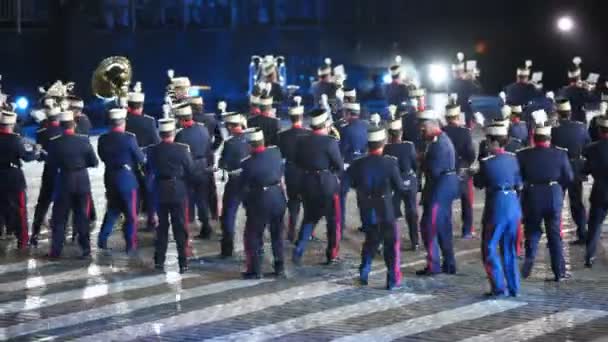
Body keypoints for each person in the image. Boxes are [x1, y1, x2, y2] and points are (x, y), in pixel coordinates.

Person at [348, 126, 407, 290]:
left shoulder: (358, 164)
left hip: (367, 208)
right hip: (385, 208)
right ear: (383, 142)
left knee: (370, 242)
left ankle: (364, 272)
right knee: (390, 245)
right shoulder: (390, 163)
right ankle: (392, 280)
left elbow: (350, 182)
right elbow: (400, 187)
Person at [517, 113, 573, 282]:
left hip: (532, 196)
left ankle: (528, 265)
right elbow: (569, 177)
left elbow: (519, 177)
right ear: (549, 138)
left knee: (532, 233)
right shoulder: (561, 154)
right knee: (555, 236)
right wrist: (557, 187)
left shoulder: (523, 155)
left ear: (534, 137)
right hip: (553, 196)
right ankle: (559, 272)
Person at [474, 124, 522, 297]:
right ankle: (514, 287)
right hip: (513, 204)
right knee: (509, 248)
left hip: (497, 206)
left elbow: (478, 183)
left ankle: (498, 286)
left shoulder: (487, 162)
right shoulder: (513, 158)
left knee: (489, 247)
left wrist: (475, 170)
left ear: (492, 141)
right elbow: (518, 182)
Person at [293, 109, 344, 266]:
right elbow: (339, 165)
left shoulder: (301, 140)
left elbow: (297, 162)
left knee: (309, 219)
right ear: (325, 124)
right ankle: (331, 255)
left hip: (307, 182)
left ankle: (298, 251)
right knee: (333, 222)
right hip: (326, 184)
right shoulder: (330, 142)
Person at [47, 111, 99, 258]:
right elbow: (94, 162)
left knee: (59, 218)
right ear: (74, 124)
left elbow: (51, 164)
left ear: (61, 126)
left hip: (64, 180)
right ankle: (86, 249)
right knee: (82, 216)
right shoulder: (83, 140)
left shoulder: (55, 142)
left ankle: (56, 250)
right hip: (82, 180)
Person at [146, 118, 193, 274]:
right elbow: (190, 169)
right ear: (173, 133)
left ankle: (159, 261)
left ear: (160, 134)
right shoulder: (182, 149)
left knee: (162, 228)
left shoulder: (152, 150)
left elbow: (148, 169)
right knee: (180, 228)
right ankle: (183, 262)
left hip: (159, 190)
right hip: (178, 189)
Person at [416, 113, 459, 276]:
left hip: (439, 188)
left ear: (433, 127)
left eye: (424, 128)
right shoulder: (439, 140)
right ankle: (449, 262)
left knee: (429, 226)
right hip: (444, 187)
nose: (422, 132)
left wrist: (421, 161)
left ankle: (433, 265)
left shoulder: (438, 143)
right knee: (443, 227)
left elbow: (433, 169)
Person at [97, 108, 145, 254]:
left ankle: (102, 239)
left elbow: (102, 157)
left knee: (112, 210)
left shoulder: (103, 138)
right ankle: (130, 244)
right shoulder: (129, 138)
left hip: (110, 178)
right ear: (123, 123)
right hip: (127, 179)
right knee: (131, 214)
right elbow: (140, 159)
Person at [240, 128, 287, 278]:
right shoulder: (275, 153)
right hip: (277, 197)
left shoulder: (247, 163)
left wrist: (246, 203)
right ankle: (280, 267)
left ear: (249, 145)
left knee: (254, 235)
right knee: (277, 234)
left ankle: (255, 269)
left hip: (259, 200)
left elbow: (244, 185)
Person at [551, 99, 591, 245]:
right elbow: (587, 146)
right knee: (577, 203)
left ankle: (556, 236)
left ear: (557, 113)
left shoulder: (553, 129)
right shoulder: (581, 127)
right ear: (570, 113)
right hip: (576, 169)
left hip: (559, 170)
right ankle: (582, 233)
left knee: (557, 204)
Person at [0, 110, 39, 249]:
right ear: (11, 124)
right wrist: (36, 152)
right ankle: (22, 240)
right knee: (20, 209)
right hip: (13, 177)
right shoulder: (14, 139)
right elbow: (26, 157)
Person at [173, 104, 213, 239]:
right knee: (202, 200)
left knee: (185, 200)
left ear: (182, 119)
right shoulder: (203, 129)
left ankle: (184, 229)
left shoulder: (181, 134)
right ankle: (206, 227)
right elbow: (209, 148)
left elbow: (178, 155)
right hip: (203, 166)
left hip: (188, 168)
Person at [125, 87, 160, 231]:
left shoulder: (124, 120)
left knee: (133, 192)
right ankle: (151, 220)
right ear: (142, 105)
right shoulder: (149, 121)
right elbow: (155, 141)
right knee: (150, 191)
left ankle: (131, 220)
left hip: (128, 160)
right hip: (146, 159)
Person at [277, 98, 310, 241]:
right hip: (307, 172)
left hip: (291, 171)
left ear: (290, 118)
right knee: (308, 203)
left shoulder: (282, 136)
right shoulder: (309, 135)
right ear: (301, 117)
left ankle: (291, 230)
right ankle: (307, 232)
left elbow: (280, 157)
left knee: (293, 203)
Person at [383, 118, 419, 250]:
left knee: (393, 213)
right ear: (401, 132)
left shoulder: (386, 149)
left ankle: (393, 241)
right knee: (412, 212)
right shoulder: (409, 146)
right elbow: (415, 165)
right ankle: (415, 241)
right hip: (409, 181)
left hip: (394, 184)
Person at [218, 112, 250, 257]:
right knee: (253, 215)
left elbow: (223, 163)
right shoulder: (250, 139)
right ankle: (254, 247)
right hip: (250, 181)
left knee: (229, 215)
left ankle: (227, 248)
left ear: (230, 126)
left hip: (235, 181)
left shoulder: (230, 142)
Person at [30, 106, 63, 247]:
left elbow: (39, 158)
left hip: (49, 171)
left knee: (43, 202)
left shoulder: (41, 132)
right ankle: (64, 234)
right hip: (64, 172)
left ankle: (35, 232)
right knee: (63, 203)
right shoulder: (64, 131)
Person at [442, 103, 476, 238]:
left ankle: (446, 229)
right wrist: (467, 163)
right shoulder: (465, 132)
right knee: (466, 201)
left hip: (446, 170)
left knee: (446, 202)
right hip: (462, 170)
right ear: (457, 117)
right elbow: (470, 153)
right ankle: (467, 230)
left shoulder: (442, 131)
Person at [190, 96, 223, 221]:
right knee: (210, 186)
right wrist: (212, 148)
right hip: (208, 156)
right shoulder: (211, 119)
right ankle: (214, 213)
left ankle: (191, 215)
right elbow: (220, 137)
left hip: (192, 157)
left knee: (191, 187)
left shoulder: (188, 120)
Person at [338, 102, 369, 232]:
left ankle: (341, 224)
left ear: (349, 114)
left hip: (349, 166)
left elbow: (342, 150)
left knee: (341, 195)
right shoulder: (367, 126)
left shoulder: (346, 129)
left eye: (345, 113)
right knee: (364, 197)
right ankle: (366, 224)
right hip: (364, 164)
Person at [583, 115, 608, 267]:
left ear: (599, 131)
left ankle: (590, 256)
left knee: (594, 226)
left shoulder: (591, 149)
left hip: (600, 191)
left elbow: (585, 169)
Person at [558, 57, 593, 124]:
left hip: (566, 123)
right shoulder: (581, 90)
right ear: (578, 77)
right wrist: (588, 89)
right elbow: (592, 99)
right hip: (579, 120)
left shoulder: (563, 90)